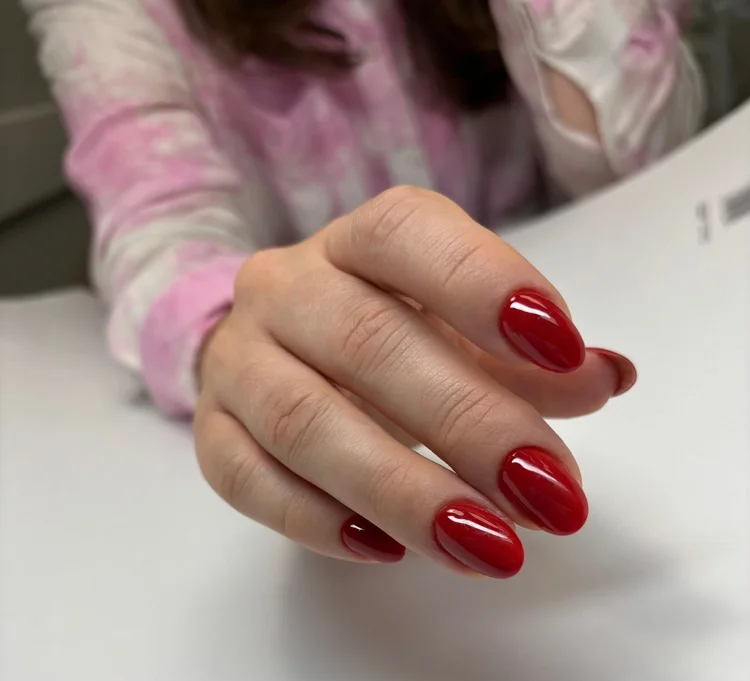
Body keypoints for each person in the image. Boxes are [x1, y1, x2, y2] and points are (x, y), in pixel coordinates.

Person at [24, 0, 704, 577]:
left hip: (660, 380)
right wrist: (234, 338)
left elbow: (648, 175)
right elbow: (159, 238)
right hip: (336, 483)